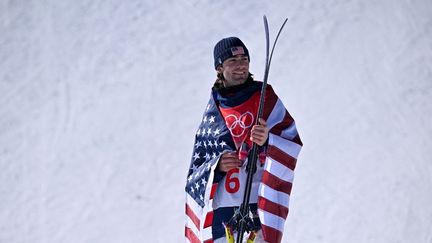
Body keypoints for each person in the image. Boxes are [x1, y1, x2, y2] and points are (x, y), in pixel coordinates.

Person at [185, 37, 302, 243]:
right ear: (219, 68)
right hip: (223, 208)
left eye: (244, 59)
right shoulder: (214, 108)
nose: (241, 66)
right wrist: (216, 166)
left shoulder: (265, 97)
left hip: (258, 203)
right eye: (233, 60)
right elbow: (197, 167)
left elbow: (290, 140)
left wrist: (267, 140)